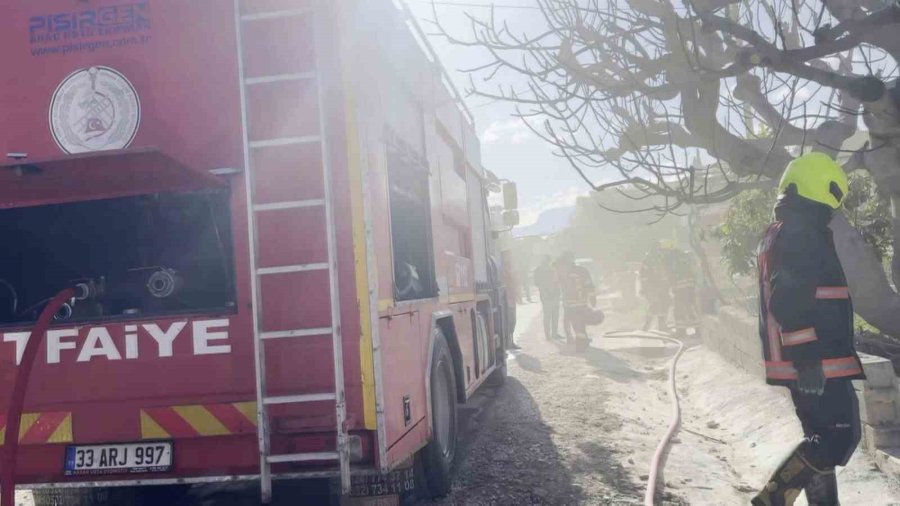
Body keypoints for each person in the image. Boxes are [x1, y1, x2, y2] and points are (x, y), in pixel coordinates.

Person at [752, 152, 865, 506]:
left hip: (806, 357)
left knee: (820, 438)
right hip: (818, 358)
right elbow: (787, 298)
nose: (835, 207)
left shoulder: (781, 230)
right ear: (822, 187)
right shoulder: (801, 230)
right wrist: (806, 356)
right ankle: (770, 502)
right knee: (837, 439)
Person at [558, 252, 596, 353]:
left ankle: (581, 340)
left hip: (569, 303)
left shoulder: (562, 273)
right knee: (580, 322)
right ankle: (581, 343)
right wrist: (592, 297)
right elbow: (589, 284)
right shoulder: (582, 270)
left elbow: (560, 286)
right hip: (580, 301)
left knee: (576, 323)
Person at [640, 241, 673, 331]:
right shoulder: (651, 259)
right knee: (657, 305)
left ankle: (657, 325)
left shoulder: (656, 258)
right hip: (654, 287)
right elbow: (644, 276)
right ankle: (651, 326)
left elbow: (665, 272)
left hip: (659, 286)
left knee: (660, 305)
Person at [533, 255, 561, 340]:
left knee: (553, 315)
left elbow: (556, 281)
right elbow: (537, 282)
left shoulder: (551, 269)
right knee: (549, 316)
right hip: (548, 295)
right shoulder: (540, 270)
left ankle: (552, 334)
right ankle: (550, 335)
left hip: (552, 295)